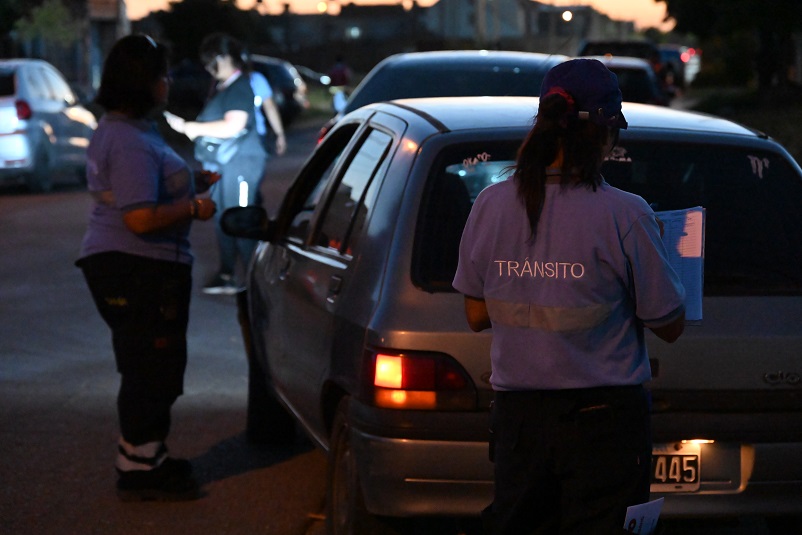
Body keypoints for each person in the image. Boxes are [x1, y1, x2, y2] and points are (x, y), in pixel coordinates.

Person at [452, 58, 686, 534]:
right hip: (604, 426)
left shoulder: (491, 204)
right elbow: (670, 324)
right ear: (603, 132)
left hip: (520, 424)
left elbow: (476, 313)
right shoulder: (626, 214)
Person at [75, 34, 218, 501]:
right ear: (145, 82)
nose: (168, 81)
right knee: (151, 368)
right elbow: (139, 217)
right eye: (162, 73)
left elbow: (140, 190)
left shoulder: (124, 129)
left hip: (130, 267)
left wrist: (184, 183)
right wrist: (193, 207)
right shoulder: (130, 140)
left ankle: (145, 455)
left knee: (148, 365)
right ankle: (139, 468)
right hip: (139, 269)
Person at [165, 33, 267, 295]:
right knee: (223, 216)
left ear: (224, 58)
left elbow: (235, 124)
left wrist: (191, 128)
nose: (209, 67)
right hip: (225, 165)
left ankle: (256, 282)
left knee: (241, 219)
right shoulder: (224, 87)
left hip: (241, 164)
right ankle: (228, 274)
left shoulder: (238, 86)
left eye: (211, 61)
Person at [248, 68, 287, 156]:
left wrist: (280, 134)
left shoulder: (255, 79)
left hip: (256, 134)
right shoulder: (224, 81)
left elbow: (270, 107)